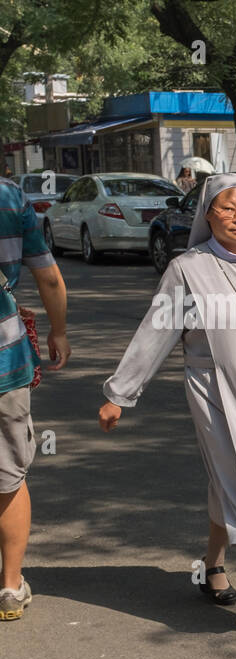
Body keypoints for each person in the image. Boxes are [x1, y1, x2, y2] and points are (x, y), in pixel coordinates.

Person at [97, 174, 236, 645]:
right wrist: (119, 394)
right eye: (229, 209)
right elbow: (155, 333)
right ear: (208, 214)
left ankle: (213, 566)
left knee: (230, 480)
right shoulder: (188, 268)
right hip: (214, 392)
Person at [0, 175, 70, 620]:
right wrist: (58, 330)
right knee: (7, 474)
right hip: (4, 361)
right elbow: (48, 277)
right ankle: (9, 586)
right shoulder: (9, 196)